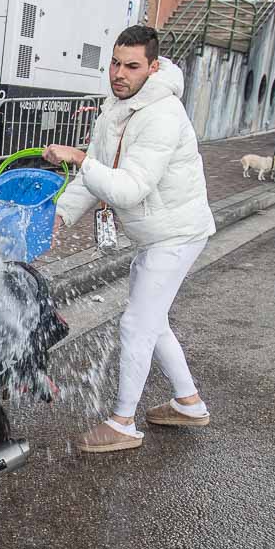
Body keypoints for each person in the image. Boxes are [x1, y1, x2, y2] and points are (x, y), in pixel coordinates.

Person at [41, 25, 215, 454]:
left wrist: (78, 157)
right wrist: (59, 215)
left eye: (132, 66)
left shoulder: (162, 114)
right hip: (155, 233)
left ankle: (122, 422)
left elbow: (128, 188)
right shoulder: (119, 106)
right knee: (152, 323)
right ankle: (188, 402)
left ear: (153, 67)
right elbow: (97, 170)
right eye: (115, 63)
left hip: (175, 233)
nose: (119, 73)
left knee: (138, 323)